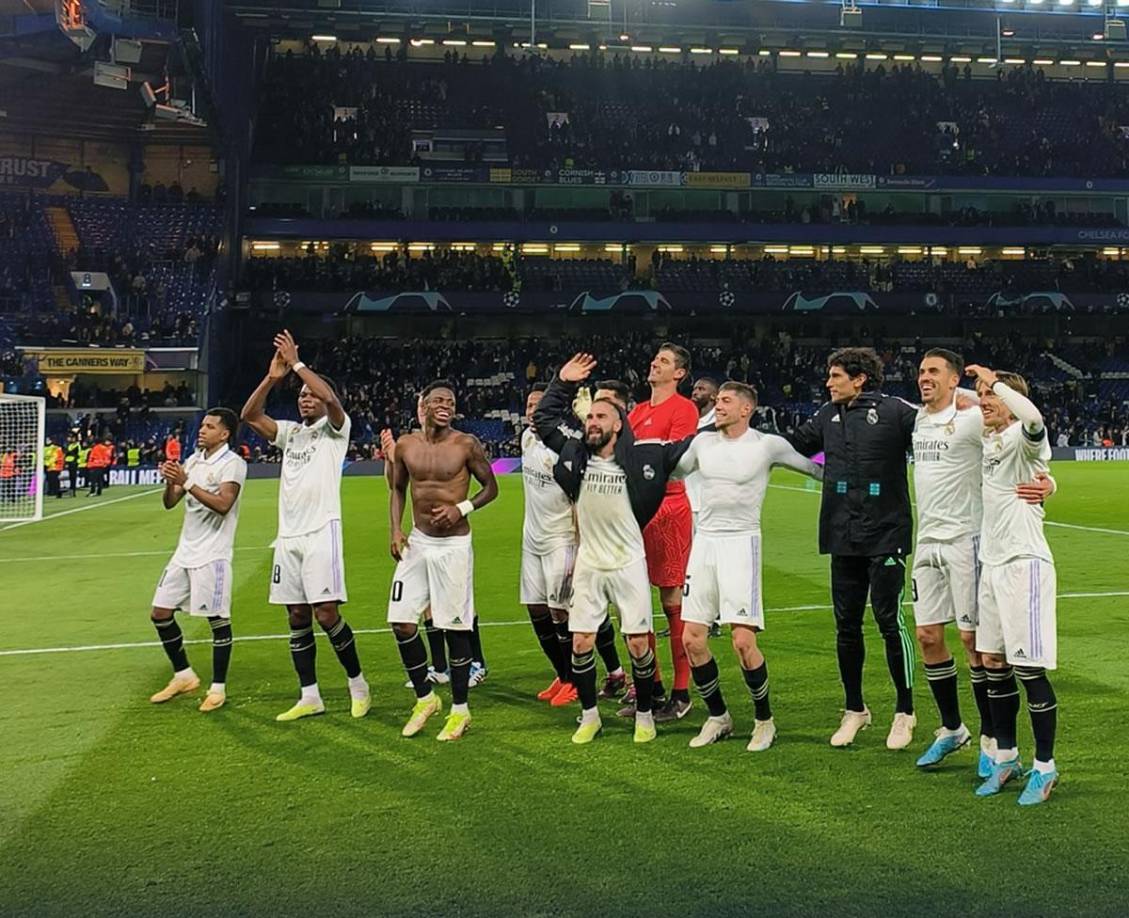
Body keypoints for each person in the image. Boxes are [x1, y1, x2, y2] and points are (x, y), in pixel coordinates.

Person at [533, 353, 701, 745]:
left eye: (600, 418)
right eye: (589, 417)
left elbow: (689, 447)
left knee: (639, 643)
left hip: (628, 562)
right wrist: (563, 382)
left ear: (618, 424)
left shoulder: (643, 458)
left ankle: (646, 712)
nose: (592, 422)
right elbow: (543, 422)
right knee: (580, 642)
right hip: (591, 563)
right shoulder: (575, 454)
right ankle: (589, 716)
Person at [910, 350, 1055, 774]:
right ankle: (953, 729)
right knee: (928, 637)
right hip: (928, 541)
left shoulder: (976, 417)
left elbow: (1029, 427)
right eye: (920, 371)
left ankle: (994, 743)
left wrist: (1049, 481)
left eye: (933, 371)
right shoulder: (915, 418)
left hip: (973, 543)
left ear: (953, 379)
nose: (924, 378)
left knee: (978, 646)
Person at [673, 382, 822, 751]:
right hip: (704, 542)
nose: (717, 407)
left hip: (741, 543)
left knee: (742, 641)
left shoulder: (766, 445)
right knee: (691, 638)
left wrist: (860, 475)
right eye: (718, 401)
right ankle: (718, 716)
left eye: (725, 401)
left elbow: (814, 471)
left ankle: (764, 720)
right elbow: (674, 472)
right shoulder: (701, 443)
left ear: (746, 409)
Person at [785, 347, 921, 750]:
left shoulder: (897, 411)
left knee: (889, 622)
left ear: (860, 378)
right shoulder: (827, 416)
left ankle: (905, 711)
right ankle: (855, 709)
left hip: (886, 532)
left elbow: (937, 439)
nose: (828, 383)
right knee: (846, 627)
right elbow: (792, 448)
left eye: (836, 376)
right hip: (841, 533)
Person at [241, 330, 370, 722]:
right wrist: (273, 378)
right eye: (301, 395)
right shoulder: (291, 433)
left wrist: (297, 364)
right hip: (288, 537)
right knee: (296, 615)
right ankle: (309, 695)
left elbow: (330, 397)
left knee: (325, 613)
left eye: (309, 393)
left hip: (321, 531)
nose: (305, 397)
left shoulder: (336, 430)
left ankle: (358, 684)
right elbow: (249, 416)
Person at [967, 364, 1060, 805]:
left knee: (1028, 668)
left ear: (1009, 397)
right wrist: (978, 394)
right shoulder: (989, 439)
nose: (983, 399)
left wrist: (997, 381)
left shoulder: (1024, 437)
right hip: (993, 563)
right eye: (980, 393)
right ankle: (1007, 757)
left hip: (1025, 564)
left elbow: (1035, 418)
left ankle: (1045, 767)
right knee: (991, 661)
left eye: (990, 394)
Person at [387, 379, 500, 741]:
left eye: (450, 401)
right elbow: (397, 489)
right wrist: (395, 529)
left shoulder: (466, 444)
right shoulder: (406, 445)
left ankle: (460, 710)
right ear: (422, 405)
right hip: (418, 542)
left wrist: (461, 508)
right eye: (437, 399)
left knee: (454, 627)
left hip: (453, 546)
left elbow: (492, 487)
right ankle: (425, 698)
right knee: (401, 621)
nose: (444, 405)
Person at [148, 408, 246, 713]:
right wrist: (171, 481)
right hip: (184, 553)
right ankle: (184, 675)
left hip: (212, 555)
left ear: (225, 433)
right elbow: (169, 503)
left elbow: (224, 505)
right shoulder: (194, 460)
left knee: (217, 621)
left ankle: (218, 688)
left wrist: (187, 482)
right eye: (202, 425)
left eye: (210, 426)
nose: (202, 430)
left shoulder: (233, 463)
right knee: (160, 613)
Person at [624, 343, 700, 723]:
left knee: (672, 600)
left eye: (665, 361)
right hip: (635, 511)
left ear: (680, 374)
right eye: (655, 358)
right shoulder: (636, 412)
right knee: (635, 601)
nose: (655, 363)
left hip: (668, 507)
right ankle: (649, 689)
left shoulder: (684, 410)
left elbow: (676, 459)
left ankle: (681, 692)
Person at [381, 406, 450, 688]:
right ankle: (440, 667)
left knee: (455, 606)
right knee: (428, 607)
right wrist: (390, 458)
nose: (423, 411)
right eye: (420, 407)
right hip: (421, 536)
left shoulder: (449, 443)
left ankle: (473, 664)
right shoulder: (411, 443)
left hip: (448, 537)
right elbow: (394, 484)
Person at [520, 383, 579, 707]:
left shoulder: (567, 446)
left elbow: (579, 499)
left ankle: (575, 679)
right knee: (536, 608)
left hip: (561, 539)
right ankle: (561, 674)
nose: (531, 411)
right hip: (532, 538)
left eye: (538, 406)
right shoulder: (526, 438)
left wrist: (581, 542)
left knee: (561, 612)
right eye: (528, 405)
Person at [685, 376, 719, 534]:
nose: (695, 392)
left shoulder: (720, 423)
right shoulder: (687, 419)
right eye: (694, 389)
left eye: (701, 389)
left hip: (707, 501)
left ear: (714, 396)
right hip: (687, 498)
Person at [64, 433, 80, 497]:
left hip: (74, 462)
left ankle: (73, 490)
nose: (72, 439)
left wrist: (70, 453)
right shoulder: (70, 445)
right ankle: (71, 489)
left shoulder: (77, 445)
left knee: (73, 476)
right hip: (69, 461)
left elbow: (77, 453)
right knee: (71, 476)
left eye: (73, 438)